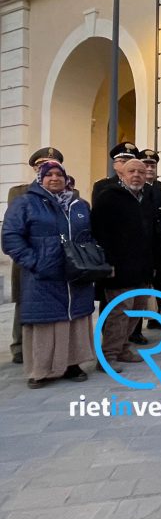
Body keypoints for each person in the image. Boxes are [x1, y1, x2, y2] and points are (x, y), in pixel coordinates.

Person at [2, 161, 95, 388]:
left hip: (76, 273)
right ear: (40, 178)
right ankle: (40, 370)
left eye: (59, 174)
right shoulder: (25, 203)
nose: (54, 178)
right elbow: (11, 236)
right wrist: (34, 261)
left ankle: (73, 364)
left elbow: (89, 234)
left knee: (74, 318)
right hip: (43, 273)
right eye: (49, 174)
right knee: (46, 321)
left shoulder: (78, 204)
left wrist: (91, 258)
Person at [91, 159, 156, 373]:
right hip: (119, 269)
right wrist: (108, 263)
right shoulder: (109, 197)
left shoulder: (145, 198)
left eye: (141, 171)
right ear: (121, 174)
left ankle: (123, 348)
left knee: (137, 312)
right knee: (120, 313)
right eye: (131, 171)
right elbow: (100, 233)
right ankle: (107, 356)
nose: (137, 175)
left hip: (142, 268)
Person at [6, 147, 66, 365]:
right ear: (34, 168)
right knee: (24, 300)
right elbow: (14, 229)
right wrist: (30, 258)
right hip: (28, 257)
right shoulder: (19, 192)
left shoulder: (68, 192)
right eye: (42, 164)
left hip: (57, 258)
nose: (47, 167)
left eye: (52, 163)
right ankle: (20, 346)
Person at [138, 149, 161, 332]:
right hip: (141, 245)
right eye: (146, 164)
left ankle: (155, 317)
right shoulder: (135, 187)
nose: (149, 168)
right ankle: (136, 326)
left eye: (152, 165)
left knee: (157, 283)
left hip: (159, 243)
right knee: (140, 284)